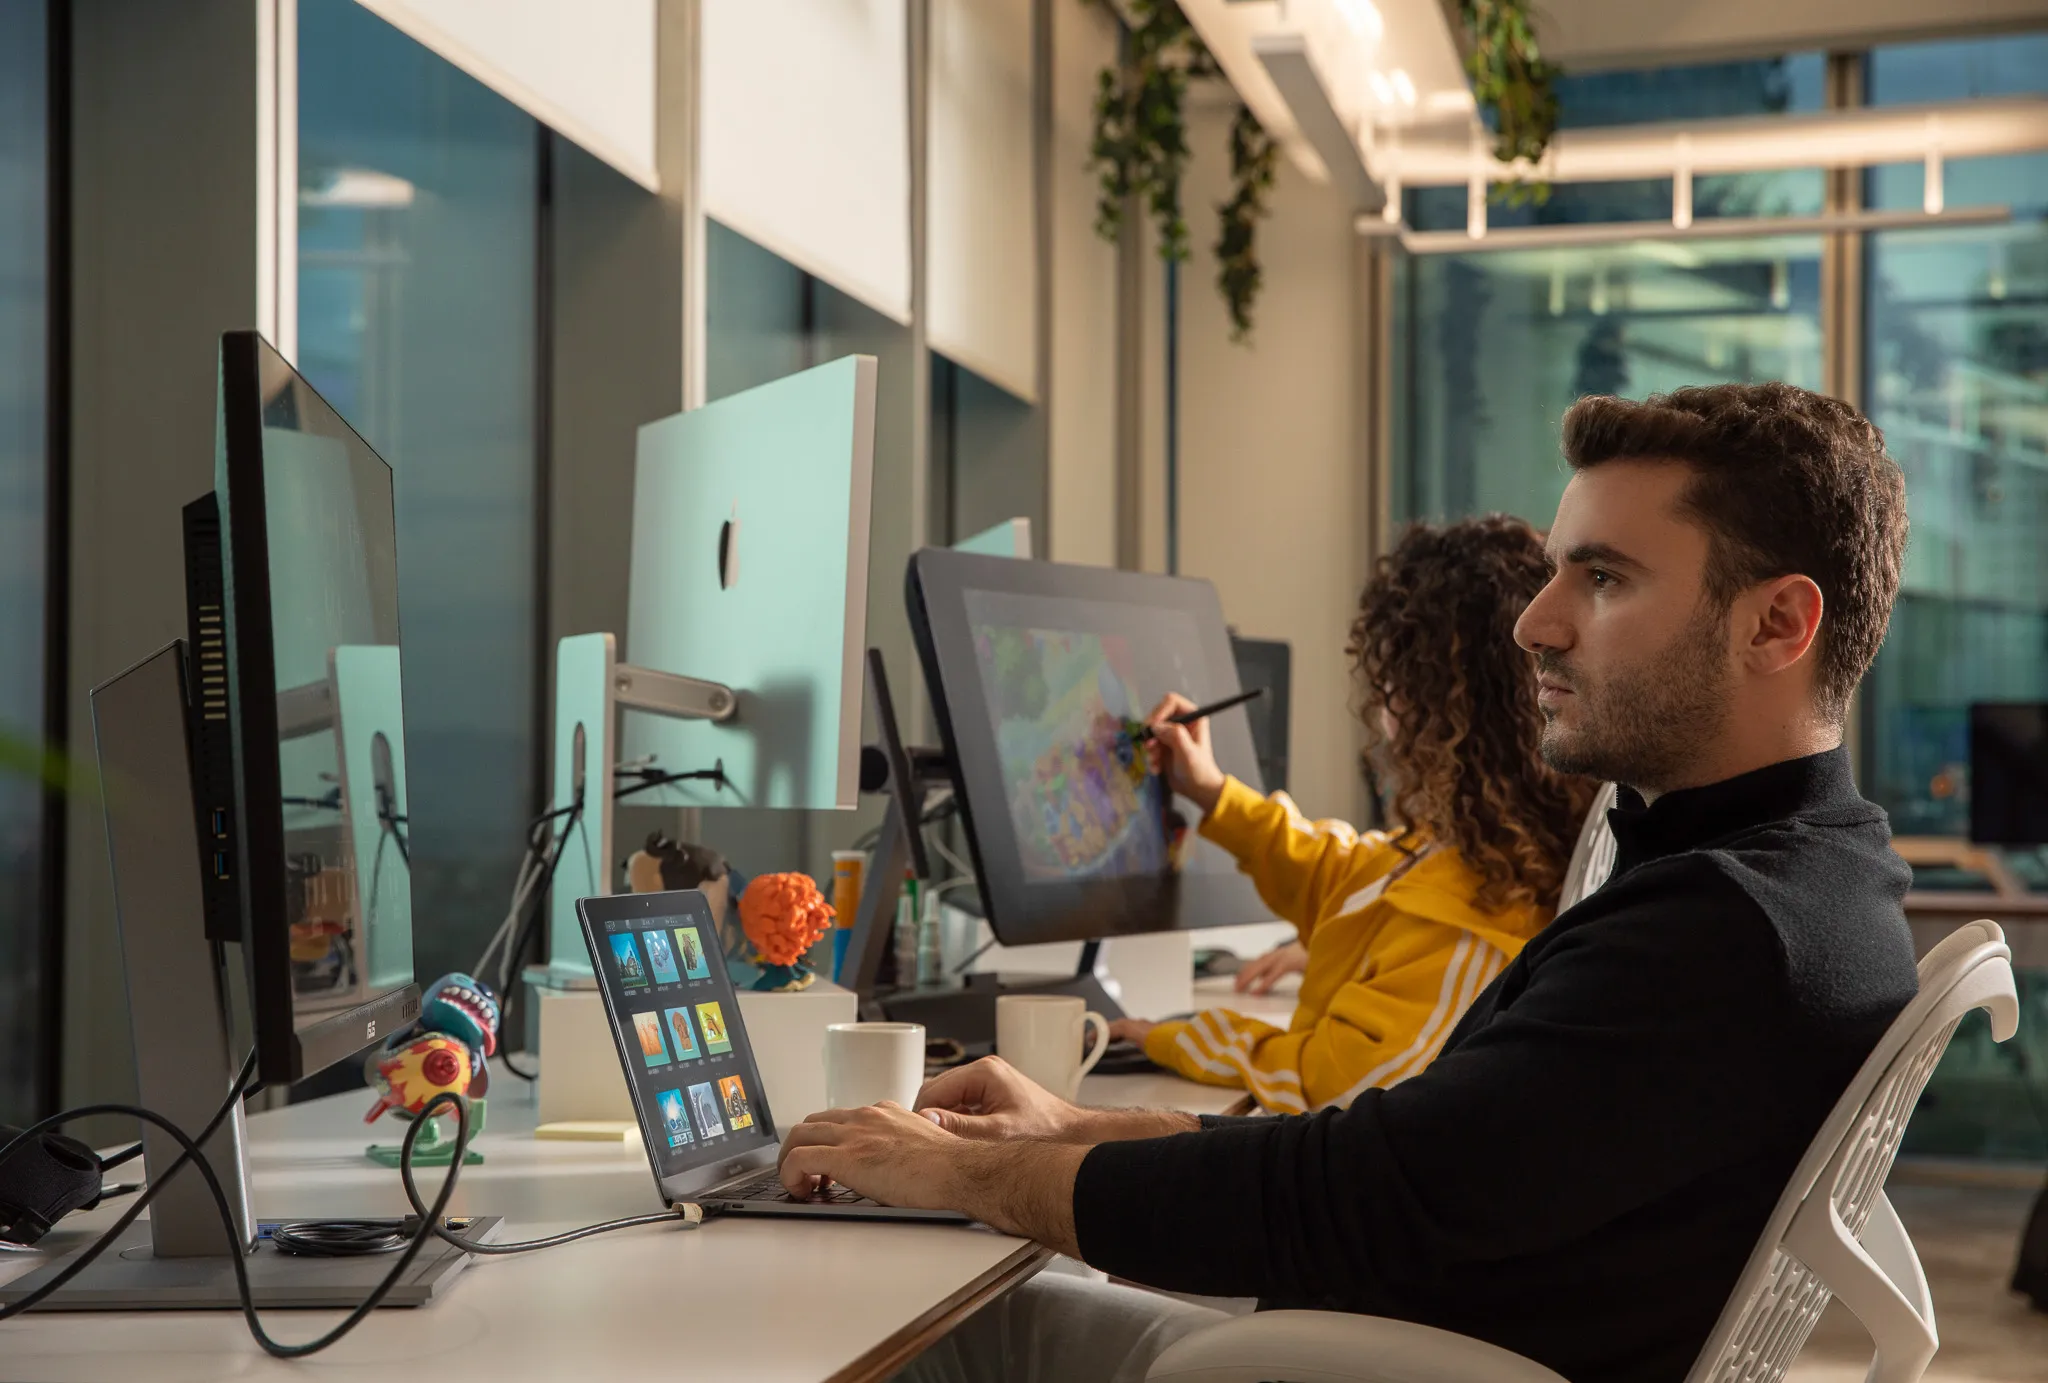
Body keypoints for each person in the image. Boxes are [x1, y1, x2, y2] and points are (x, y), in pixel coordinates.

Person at [775, 383, 1921, 1383]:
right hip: (1400, 1340)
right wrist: (1065, 1128)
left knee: (899, 1326)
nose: (1535, 622)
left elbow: (1347, 1202)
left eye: (1603, 579)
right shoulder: (1810, 879)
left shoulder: (1721, 932)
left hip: (1370, 1362)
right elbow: (1402, 1163)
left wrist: (963, 1174)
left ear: (1777, 624)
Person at [1107, 517, 1596, 1112]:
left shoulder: (1475, 927)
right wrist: (1212, 792)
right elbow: (1339, 875)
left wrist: (1175, 1038)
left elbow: (1338, 1086)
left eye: (1393, 683)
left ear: (1431, 707)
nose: (1384, 714)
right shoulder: (1479, 852)